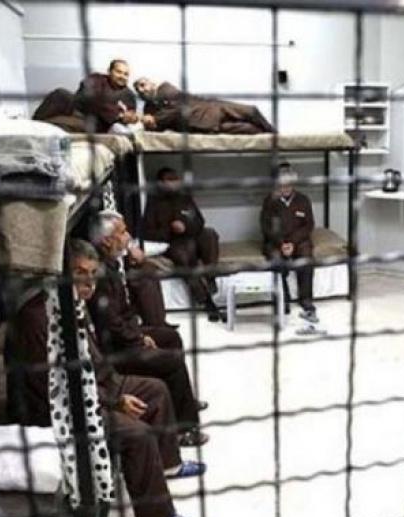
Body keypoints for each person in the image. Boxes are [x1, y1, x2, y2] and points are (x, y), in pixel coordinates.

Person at [7, 240, 205, 517]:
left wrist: (113, 386)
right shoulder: (37, 318)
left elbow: (91, 357)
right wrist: (113, 401)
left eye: (93, 273)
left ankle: (168, 464)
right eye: (79, 273)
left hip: (93, 385)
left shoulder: (73, 301)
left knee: (156, 390)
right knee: (137, 434)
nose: (89, 282)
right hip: (58, 407)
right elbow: (51, 387)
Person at [90, 210, 208, 447]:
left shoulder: (111, 263)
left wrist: (141, 333)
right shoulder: (99, 274)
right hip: (115, 348)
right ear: (107, 241)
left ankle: (181, 402)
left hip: (126, 336)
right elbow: (111, 325)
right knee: (171, 361)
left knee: (170, 337)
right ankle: (183, 430)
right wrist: (138, 339)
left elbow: (123, 313)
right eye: (122, 232)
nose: (128, 237)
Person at [142, 167, 225, 322]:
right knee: (183, 258)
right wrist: (170, 229)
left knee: (210, 234)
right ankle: (207, 302)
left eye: (176, 179)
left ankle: (211, 276)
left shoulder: (185, 198)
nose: (175, 183)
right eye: (170, 180)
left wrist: (185, 226)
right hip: (173, 243)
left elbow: (199, 221)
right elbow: (148, 233)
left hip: (192, 236)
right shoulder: (154, 203)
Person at [260, 162, 317, 323]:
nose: (285, 188)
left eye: (288, 184)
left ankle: (306, 299)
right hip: (276, 241)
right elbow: (266, 227)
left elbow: (308, 225)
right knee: (276, 260)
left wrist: (292, 242)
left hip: (298, 241)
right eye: (282, 185)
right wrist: (281, 244)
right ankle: (283, 298)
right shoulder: (270, 201)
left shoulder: (303, 200)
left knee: (306, 257)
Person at [133, 77, 275, 135]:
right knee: (249, 129)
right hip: (201, 125)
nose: (141, 90)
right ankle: (270, 137)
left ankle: (275, 134)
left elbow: (176, 109)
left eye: (143, 85)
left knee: (250, 111)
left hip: (211, 108)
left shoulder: (165, 89)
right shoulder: (149, 109)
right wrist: (149, 123)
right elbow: (154, 128)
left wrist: (155, 119)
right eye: (138, 89)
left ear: (152, 83)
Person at [32, 59, 139, 134]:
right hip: (77, 110)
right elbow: (87, 98)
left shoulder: (129, 95)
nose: (122, 76)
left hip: (96, 123)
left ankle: (42, 127)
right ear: (109, 71)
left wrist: (129, 118)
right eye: (119, 72)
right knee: (60, 93)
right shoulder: (97, 78)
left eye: (126, 74)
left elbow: (127, 118)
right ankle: (31, 125)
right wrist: (117, 113)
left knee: (58, 123)